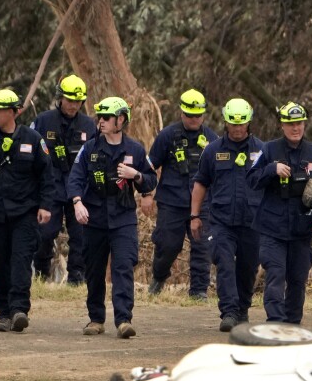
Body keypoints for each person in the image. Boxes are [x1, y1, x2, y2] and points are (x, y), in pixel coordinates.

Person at [0, 88, 56, 333]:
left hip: (25, 213)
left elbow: (47, 175)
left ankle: (19, 310)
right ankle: (3, 312)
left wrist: (46, 206)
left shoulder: (33, 139)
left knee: (21, 261)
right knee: (1, 263)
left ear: (13, 112)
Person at [66, 97, 157, 339]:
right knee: (94, 270)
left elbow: (150, 180)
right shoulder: (90, 149)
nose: (101, 121)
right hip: (94, 218)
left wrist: (135, 175)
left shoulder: (135, 150)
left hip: (123, 218)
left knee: (123, 267)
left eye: (106, 117)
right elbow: (75, 178)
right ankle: (96, 319)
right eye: (99, 117)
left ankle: (123, 319)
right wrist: (77, 203)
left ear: (121, 119)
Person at [246, 102, 312, 324]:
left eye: (299, 123)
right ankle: (275, 322)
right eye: (291, 124)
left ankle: (293, 324)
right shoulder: (268, 150)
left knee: (297, 278)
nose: (296, 128)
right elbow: (251, 180)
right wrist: (271, 170)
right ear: (282, 126)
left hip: (301, 228)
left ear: (304, 124)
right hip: (272, 228)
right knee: (275, 273)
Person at [192, 98, 264, 332]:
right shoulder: (212, 150)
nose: (237, 128)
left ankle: (242, 308)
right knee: (224, 263)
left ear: (249, 122)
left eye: (241, 123)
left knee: (248, 267)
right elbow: (200, 184)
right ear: (226, 122)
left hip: (252, 221)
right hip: (221, 221)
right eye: (233, 123)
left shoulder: (262, 151)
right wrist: (195, 216)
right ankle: (229, 311)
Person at [147, 88, 218, 298]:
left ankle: (198, 291)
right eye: (190, 115)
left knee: (202, 247)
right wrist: (146, 193)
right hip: (171, 202)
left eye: (198, 115)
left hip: (202, 204)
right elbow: (149, 166)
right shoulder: (168, 136)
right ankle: (158, 278)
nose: (194, 119)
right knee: (167, 245)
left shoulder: (212, 139)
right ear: (182, 113)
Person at [30, 74, 95, 284]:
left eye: (78, 101)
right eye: (69, 100)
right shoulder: (43, 121)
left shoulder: (89, 125)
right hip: (50, 188)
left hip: (79, 190)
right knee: (45, 234)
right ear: (60, 98)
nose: (73, 105)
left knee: (81, 236)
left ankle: (77, 279)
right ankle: (41, 273)